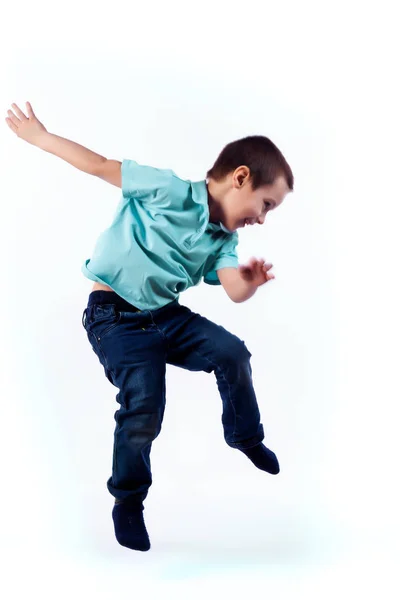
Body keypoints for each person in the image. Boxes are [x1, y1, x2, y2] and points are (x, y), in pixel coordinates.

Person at [5, 101, 294, 552]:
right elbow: (99, 166)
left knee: (232, 352)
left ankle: (245, 435)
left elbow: (232, 287)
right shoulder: (167, 189)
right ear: (240, 177)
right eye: (265, 204)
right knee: (145, 402)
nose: (262, 217)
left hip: (166, 316)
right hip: (114, 317)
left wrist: (251, 282)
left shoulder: (225, 239)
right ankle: (128, 501)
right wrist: (41, 138)